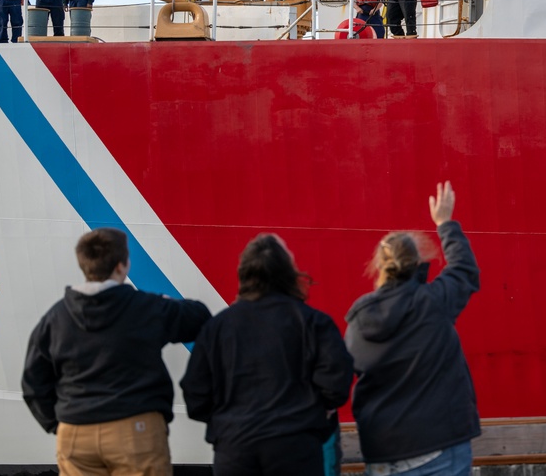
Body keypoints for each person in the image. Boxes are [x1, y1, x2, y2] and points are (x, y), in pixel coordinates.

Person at [21, 227, 211, 476]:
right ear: (121, 266)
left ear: (84, 265)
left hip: (75, 433)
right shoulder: (147, 308)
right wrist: (167, 301)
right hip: (134, 429)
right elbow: (199, 318)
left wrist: (59, 424)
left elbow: (33, 383)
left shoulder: (55, 318)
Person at [180, 234, 353, 476]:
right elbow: (336, 385)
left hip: (235, 449)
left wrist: (226, 424)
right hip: (296, 447)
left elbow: (195, 394)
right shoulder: (313, 322)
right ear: (287, 273)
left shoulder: (218, 327)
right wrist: (310, 418)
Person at [345, 181, 480, 476]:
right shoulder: (433, 302)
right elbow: (464, 270)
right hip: (440, 445)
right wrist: (445, 223)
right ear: (417, 263)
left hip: (383, 453)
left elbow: (340, 377)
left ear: (379, 266)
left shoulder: (358, 317)